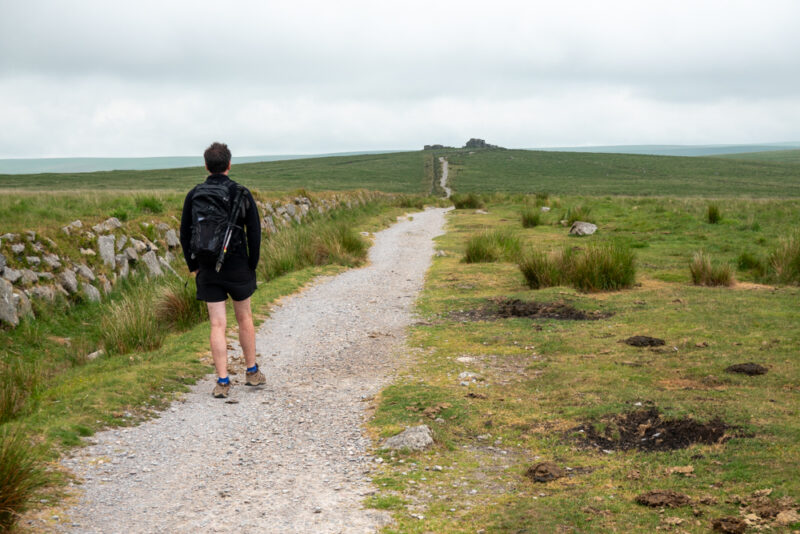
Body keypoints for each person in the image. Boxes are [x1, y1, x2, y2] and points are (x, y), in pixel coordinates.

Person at [179, 142, 266, 398]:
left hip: (207, 266)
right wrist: (251, 264)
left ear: (206, 166)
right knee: (245, 318)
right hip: (238, 264)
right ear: (229, 165)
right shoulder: (241, 193)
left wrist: (193, 265)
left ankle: (223, 381)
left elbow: (184, 234)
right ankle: (251, 372)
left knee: (217, 324)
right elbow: (255, 233)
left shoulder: (194, 194)